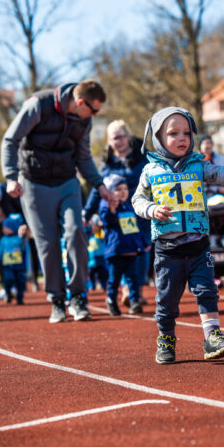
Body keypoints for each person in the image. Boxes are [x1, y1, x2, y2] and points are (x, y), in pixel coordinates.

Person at [132, 106, 224, 364]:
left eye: (186, 132)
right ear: (159, 139)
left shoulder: (198, 164)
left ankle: (212, 337)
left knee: (207, 290)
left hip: (198, 245)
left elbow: (221, 175)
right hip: (168, 250)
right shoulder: (150, 170)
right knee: (166, 300)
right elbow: (137, 199)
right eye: (174, 133)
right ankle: (166, 337)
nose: (182, 138)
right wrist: (151, 209)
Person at [1, 79, 112, 324]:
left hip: (66, 181)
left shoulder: (84, 119)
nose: (94, 115)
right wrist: (11, 177)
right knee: (48, 243)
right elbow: (11, 140)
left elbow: (83, 157)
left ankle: (77, 297)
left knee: (75, 231)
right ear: (81, 102)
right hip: (33, 182)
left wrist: (99, 185)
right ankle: (56, 300)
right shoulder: (38, 105)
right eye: (93, 110)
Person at [83, 120, 151, 306]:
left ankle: (137, 288)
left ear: (128, 137)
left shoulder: (144, 158)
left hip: (141, 213)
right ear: (109, 141)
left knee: (142, 252)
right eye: (114, 138)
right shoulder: (107, 164)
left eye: (121, 137)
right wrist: (87, 214)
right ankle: (129, 289)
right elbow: (99, 189)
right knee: (122, 252)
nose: (118, 141)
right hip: (118, 216)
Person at [100, 174, 147, 316]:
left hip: (131, 250)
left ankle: (134, 301)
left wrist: (143, 243)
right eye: (118, 189)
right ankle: (111, 300)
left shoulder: (128, 206)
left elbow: (134, 229)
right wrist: (112, 208)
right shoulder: (106, 206)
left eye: (125, 189)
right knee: (114, 280)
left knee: (132, 278)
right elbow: (107, 220)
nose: (123, 192)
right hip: (116, 251)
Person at [0, 214, 28, 305]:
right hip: (7, 266)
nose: (4, 230)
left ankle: (20, 298)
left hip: (19, 266)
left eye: (6, 228)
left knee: (20, 282)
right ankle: (8, 294)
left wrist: (21, 235)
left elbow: (22, 243)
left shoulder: (19, 238)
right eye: (3, 228)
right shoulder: (3, 240)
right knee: (8, 280)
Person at [87, 215, 108, 291]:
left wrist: (101, 226)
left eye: (95, 225)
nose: (94, 227)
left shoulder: (100, 234)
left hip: (100, 258)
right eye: (92, 225)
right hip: (91, 259)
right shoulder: (89, 234)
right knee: (90, 274)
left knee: (102, 274)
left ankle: (103, 285)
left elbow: (104, 234)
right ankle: (92, 285)